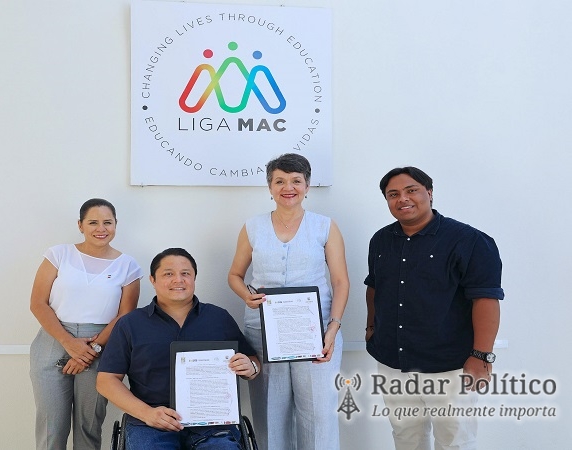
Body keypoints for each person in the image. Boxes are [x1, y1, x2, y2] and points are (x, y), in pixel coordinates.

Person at [365, 167, 504, 450]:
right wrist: (371, 328)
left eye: (411, 190)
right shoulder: (380, 240)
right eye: (393, 194)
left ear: (429, 192)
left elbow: (486, 299)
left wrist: (481, 356)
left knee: (455, 441)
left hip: (449, 365)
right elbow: (375, 287)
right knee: (405, 436)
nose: (403, 199)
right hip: (393, 361)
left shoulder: (469, 240)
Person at [228, 153, 350, 450]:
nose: (288, 187)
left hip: (316, 332)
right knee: (270, 413)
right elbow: (235, 275)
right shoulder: (252, 227)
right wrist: (246, 295)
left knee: (319, 415)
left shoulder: (324, 226)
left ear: (307, 185)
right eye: (279, 181)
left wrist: (333, 327)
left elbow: (340, 281)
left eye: (296, 181)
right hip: (263, 332)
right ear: (270, 187)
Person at [96, 247, 260, 449]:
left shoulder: (219, 318)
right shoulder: (130, 324)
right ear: (153, 280)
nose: (178, 280)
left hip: (212, 422)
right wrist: (147, 413)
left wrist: (251, 367)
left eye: (185, 273)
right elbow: (106, 381)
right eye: (168, 274)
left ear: (194, 278)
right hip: (150, 422)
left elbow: (252, 361)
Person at [29, 198, 143, 450]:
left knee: (88, 426)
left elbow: (125, 315)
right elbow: (38, 303)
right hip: (54, 338)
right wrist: (68, 342)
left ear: (116, 225)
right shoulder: (58, 254)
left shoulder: (128, 266)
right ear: (80, 225)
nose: (101, 228)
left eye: (107, 222)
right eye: (93, 222)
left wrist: (92, 349)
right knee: (51, 427)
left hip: (102, 344)